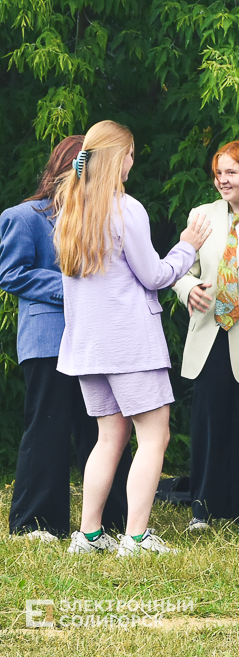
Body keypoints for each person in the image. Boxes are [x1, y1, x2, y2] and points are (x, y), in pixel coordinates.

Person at [54, 119, 210, 556]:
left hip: (87, 347)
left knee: (109, 438)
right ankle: (136, 537)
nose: (132, 162)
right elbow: (155, 275)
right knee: (154, 437)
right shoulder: (126, 208)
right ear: (116, 158)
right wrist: (188, 246)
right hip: (128, 344)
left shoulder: (71, 208)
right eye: (130, 154)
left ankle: (88, 535)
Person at [0, 136, 131, 542]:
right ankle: (36, 524)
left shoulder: (104, 216)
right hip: (48, 340)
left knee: (104, 430)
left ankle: (113, 523)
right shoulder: (25, 216)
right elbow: (11, 273)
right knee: (48, 430)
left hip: (97, 341)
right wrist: (71, 286)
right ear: (73, 165)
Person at [172, 141, 239, 531]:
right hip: (209, 334)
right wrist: (187, 290)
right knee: (207, 425)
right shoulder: (201, 215)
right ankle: (202, 510)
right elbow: (180, 267)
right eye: (218, 173)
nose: (222, 180)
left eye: (230, 172)